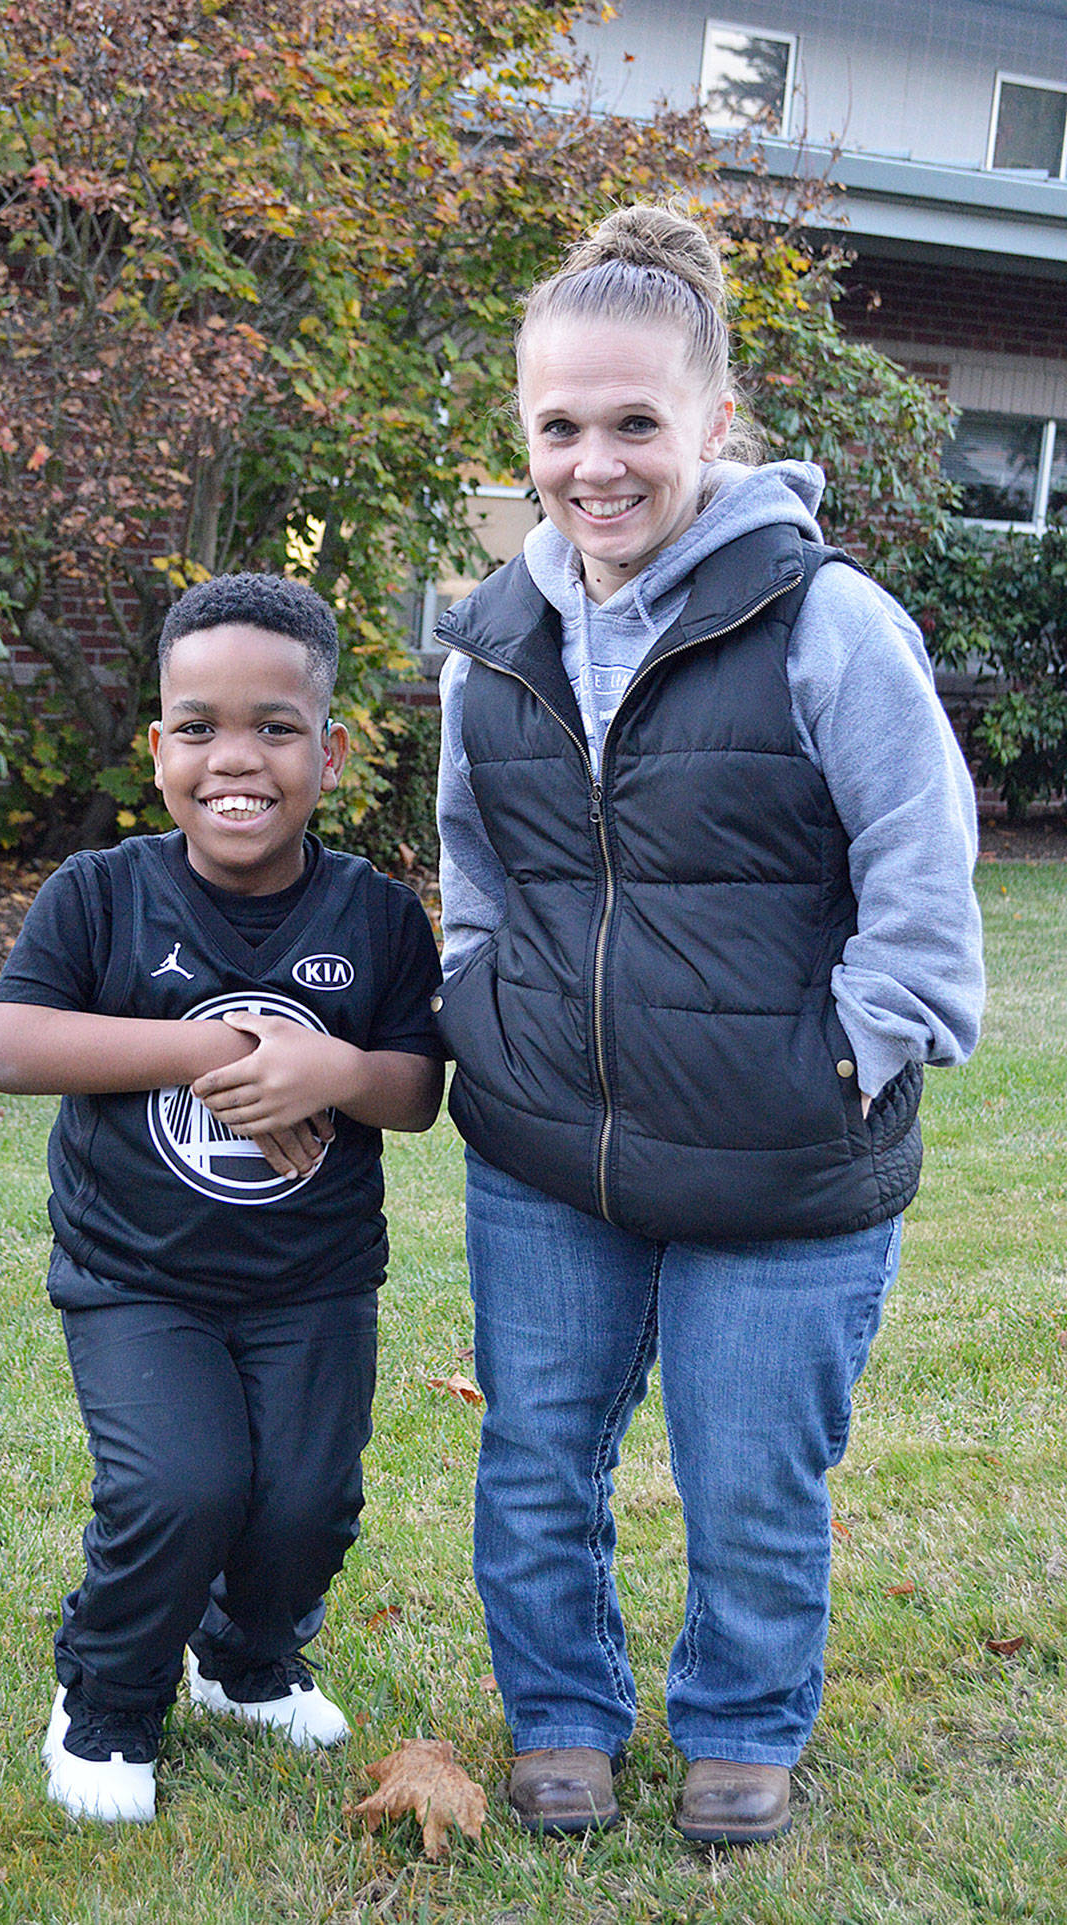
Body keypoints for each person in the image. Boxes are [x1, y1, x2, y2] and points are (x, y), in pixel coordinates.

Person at [433, 203, 984, 1847]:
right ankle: (564, 1725)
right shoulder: (494, 642)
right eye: (559, 427)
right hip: (549, 1149)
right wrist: (485, 1004)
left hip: (780, 1155)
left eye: (634, 424)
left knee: (750, 1489)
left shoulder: (829, 624)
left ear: (715, 425)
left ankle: (741, 1731)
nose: (596, 463)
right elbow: (475, 864)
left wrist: (843, 1057)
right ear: (524, 435)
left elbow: (924, 882)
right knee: (539, 1468)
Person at [0, 572, 444, 1824]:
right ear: (158, 747)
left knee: (304, 1500)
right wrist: (210, 1051)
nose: (235, 758)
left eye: (274, 727)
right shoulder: (103, 892)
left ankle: (245, 1662)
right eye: (198, 727)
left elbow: (413, 1091)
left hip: (313, 1281)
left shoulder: (377, 914)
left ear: (330, 750)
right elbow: (10, 1047)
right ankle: (108, 1702)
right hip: (139, 1278)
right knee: (177, 1486)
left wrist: (335, 1069)